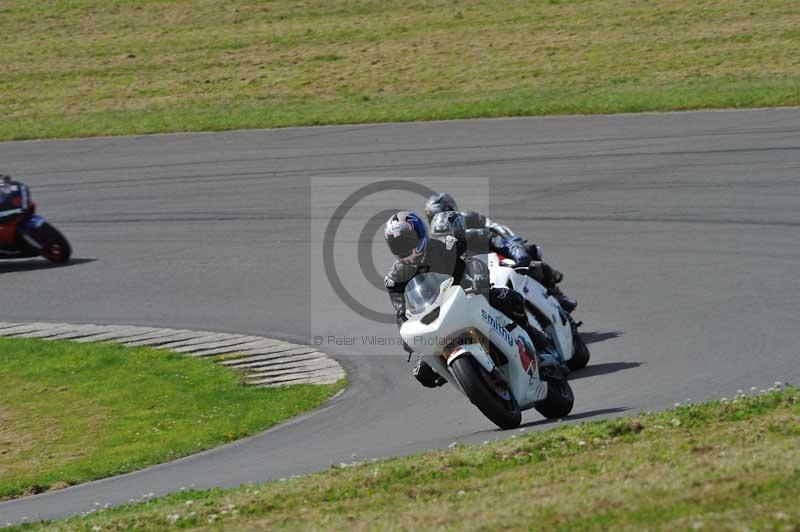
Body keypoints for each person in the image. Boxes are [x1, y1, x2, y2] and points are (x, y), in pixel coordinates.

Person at [384, 210, 556, 388]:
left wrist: (479, 273)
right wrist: (407, 336)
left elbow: (473, 252)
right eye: (398, 245)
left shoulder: (446, 244)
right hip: (435, 318)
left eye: (407, 241)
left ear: (420, 234)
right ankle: (468, 377)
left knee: (508, 298)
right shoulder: (395, 279)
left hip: (471, 295)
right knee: (422, 372)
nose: (404, 248)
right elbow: (401, 311)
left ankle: (537, 341)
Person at [424, 192, 576, 313]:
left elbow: (498, 230)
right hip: (470, 268)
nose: (440, 218)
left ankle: (556, 294)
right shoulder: (438, 237)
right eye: (433, 216)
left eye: (443, 212)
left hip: (493, 254)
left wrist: (516, 248)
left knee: (531, 252)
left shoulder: (469, 218)